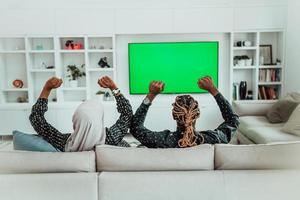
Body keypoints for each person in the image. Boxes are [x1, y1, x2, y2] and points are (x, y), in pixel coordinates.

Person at [130, 76, 239, 148]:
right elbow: (232, 120)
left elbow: (135, 127)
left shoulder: (159, 140)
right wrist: (213, 90)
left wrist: (151, 95)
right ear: (197, 114)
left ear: (174, 115)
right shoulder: (213, 139)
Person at [29, 76, 132, 152]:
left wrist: (46, 89)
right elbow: (127, 113)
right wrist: (113, 88)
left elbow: (36, 119)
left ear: (75, 120)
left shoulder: (65, 143)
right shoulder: (111, 138)